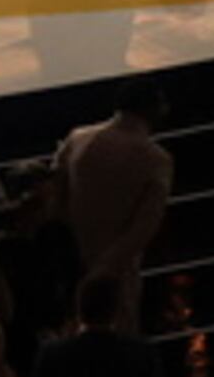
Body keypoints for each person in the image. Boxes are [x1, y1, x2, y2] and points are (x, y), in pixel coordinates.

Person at [52, 87, 170, 335]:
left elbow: (55, 198)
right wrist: (106, 265)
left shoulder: (78, 138)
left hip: (68, 263)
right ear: (151, 110)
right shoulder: (156, 159)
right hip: (118, 272)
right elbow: (145, 226)